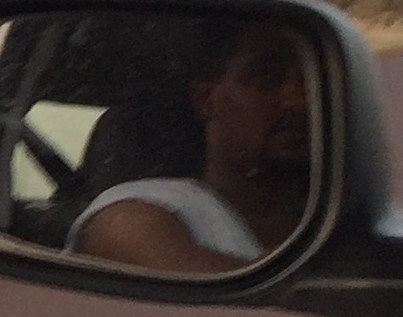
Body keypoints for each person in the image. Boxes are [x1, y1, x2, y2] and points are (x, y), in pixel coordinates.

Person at [65, 20, 312, 276]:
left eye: (312, 83)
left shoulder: (336, 216)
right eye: (267, 78)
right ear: (205, 100)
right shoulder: (136, 212)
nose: (298, 102)